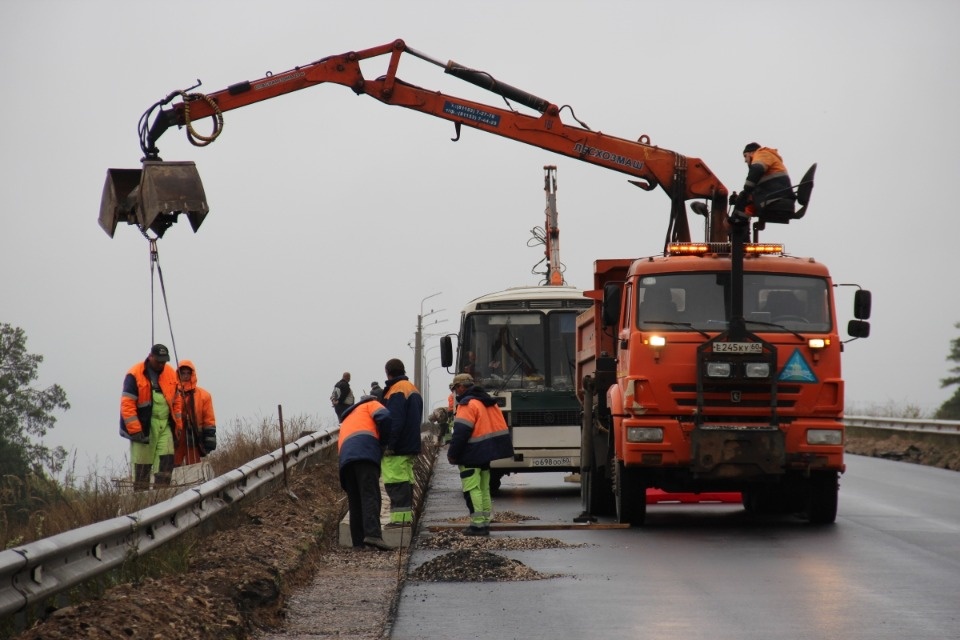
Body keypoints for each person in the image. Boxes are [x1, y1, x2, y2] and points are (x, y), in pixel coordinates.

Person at [447, 373, 514, 536]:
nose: (455, 392)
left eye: (455, 389)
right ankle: (484, 522)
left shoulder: (467, 404)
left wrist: (452, 454)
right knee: (484, 487)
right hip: (486, 453)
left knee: (472, 488)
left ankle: (477, 525)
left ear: (461, 387)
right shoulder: (487, 401)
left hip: (471, 453)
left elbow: (461, 433)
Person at [119, 344, 183, 490]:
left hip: (165, 425)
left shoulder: (170, 373)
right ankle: (141, 498)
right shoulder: (135, 374)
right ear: (150, 357)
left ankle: (162, 495)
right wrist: (135, 429)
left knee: (166, 461)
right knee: (142, 466)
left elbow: (177, 401)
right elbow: (127, 404)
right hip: (144, 427)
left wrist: (178, 425)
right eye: (158, 361)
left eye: (164, 361)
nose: (161, 364)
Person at [337, 395, 393, 550]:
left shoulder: (350, 416)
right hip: (365, 454)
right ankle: (373, 535)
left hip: (345, 460)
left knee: (355, 500)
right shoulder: (371, 404)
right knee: (370, 495)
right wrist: (383, 443)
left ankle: (358, 542)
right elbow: (385, 417)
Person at [381, 358, 423, 528]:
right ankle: (405, 518)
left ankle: (399, 521)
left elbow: (394, 420)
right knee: (405, 482)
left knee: (396, 482)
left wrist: (389, 444)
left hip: (398, 447)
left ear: (388, 373)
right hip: (410, 444)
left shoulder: (396, 390)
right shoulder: (411, 388)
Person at [733, 142, 795, 218]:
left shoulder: (762, 153)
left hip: (775, 198)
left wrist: (746, 190)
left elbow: (757, 168)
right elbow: (757, 190)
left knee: (743, 198)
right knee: (743, 199)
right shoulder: (768, 158)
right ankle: (738, 223)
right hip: (776, 196)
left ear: (752, 153)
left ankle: (736, 223)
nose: (745, 160)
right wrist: (737, 199)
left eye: (745, 156)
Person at [175, 359, 217, 467]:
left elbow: (209, 419)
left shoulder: (204, 395)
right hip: (176, 437)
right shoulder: (172, 393)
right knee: (173, 467)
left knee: (194, 468)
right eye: (183, 373)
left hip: (194, 437)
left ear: (192, 374)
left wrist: (210, 439)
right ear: (178, 374)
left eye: (188, 373)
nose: (185, 376)